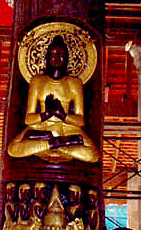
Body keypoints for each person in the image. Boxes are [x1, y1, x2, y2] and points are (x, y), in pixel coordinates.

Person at [7, 35, 99, 163]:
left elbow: (80, 120)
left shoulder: (74, 82)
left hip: (67, 128)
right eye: (53, 54)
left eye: (61, 54)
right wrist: (47, 114)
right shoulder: (37, 80)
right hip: (41, 126)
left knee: (93, 155)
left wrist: (61, 115)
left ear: (67, 58)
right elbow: (28, 119)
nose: (57, 58)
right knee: (13, 149)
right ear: (46, 58)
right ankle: (60, 144)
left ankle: (51, 143)